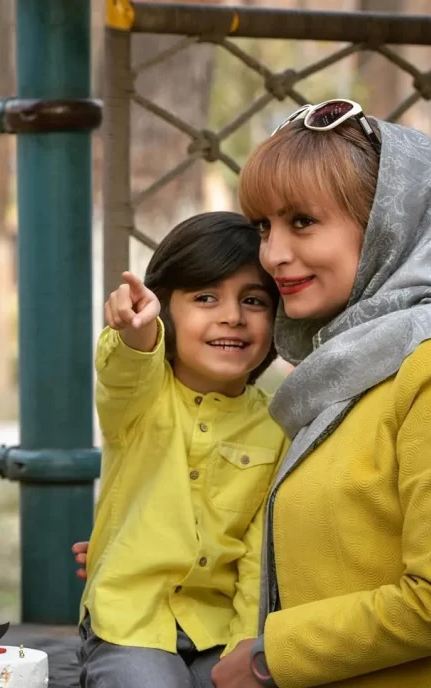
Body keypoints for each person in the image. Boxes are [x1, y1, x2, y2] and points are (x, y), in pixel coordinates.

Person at [211, 100, 431, 687]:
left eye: (302, 222)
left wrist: (270, 659)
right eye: (264, 227)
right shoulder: (345, 371)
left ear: (386, 226)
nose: (272, 254)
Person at [77, 211, 289, 688]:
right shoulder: (140, 397)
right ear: (165, 310)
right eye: (205, 297)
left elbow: (260, 556)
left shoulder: (278, 425)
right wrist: (136, 328)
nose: (232, 316)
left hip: (220, 630)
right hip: (131, 624)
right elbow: (127, 364)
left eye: (253, 300)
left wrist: (246, 646)